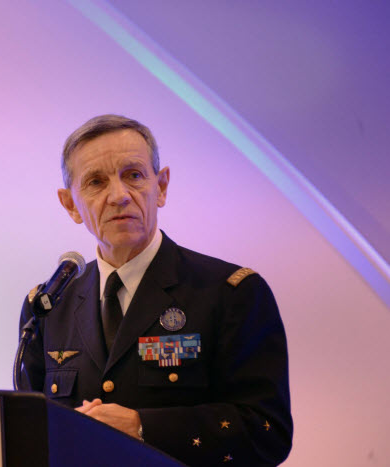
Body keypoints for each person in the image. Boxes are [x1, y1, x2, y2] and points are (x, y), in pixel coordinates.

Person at [18, 115, 293, 466]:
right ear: (70, 204)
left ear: (160, 187)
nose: (119, 196)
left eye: (133, 175)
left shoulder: (231, 294)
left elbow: (267, 431)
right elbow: (29, 438)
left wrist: (142, 427)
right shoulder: (48, 306)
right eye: (96, 182)